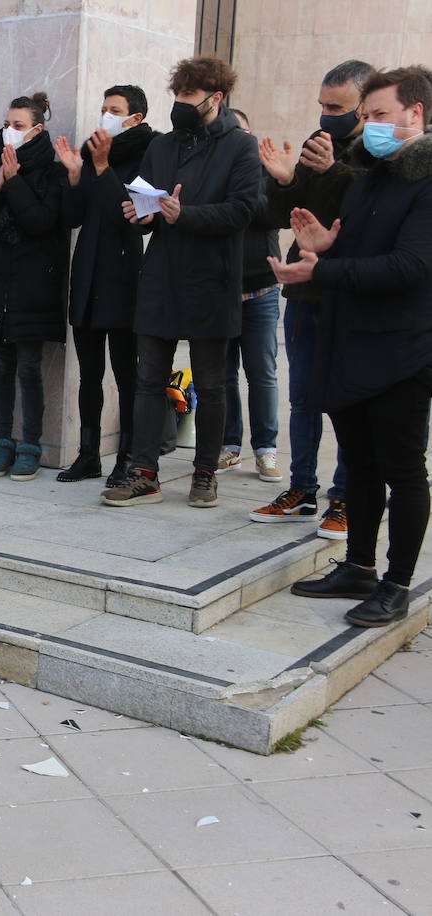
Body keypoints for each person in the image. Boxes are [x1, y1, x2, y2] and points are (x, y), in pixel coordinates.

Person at [280, 67, 432, 628]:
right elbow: (358, 247)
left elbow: (412, 265)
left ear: (415, 113)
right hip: (350, 343)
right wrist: (324, 243)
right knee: (360, 466)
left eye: (379, 115)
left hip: (403, 350)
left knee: (403, 469)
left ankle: (396, 585)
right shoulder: (369, 176)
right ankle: (360, 567)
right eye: (365, 116)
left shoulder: (427, 178)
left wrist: (330, 265)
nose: (368, 126)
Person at [102, 56, 260, 508]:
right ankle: (143, 471)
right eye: (177, 95)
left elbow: (243, 210)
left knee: (212, 385)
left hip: (213, 279)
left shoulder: (240, 147)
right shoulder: (164, 146)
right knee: (149, 378)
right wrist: (141, 216)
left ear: (216, 97)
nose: (180, 104)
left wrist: (185, 215)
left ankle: (205, 472)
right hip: (162, 276)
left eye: (189, 96)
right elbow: (148, 202)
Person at [248, 59, 374, 539]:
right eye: (321, 105)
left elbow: (370, 219)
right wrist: (285, 179)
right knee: (302, 397)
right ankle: (302, 488)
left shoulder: (379, 156)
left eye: (336, 107)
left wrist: (337, 171)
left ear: (364, 106)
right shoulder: (315, 146)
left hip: (349, 291)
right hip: (304, 290)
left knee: (346, 399)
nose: (326, 116)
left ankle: (345, 497)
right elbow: (284, 216)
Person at [53, 85, 159, 487]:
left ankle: (129, 456)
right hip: (88, 274)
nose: (105, 116)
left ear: (135, 117)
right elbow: (73, 216)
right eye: (103, 108)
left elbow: (129, 214)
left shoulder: (149, 152)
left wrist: (100, 168)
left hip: (125, 274)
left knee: (127, 374)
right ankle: (88, 454)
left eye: (114, 110)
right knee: (89, 374)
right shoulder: (91, 152)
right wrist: (77, 175)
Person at [0, 92, 70, 481]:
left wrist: (13, 183)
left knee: (29, 367)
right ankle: (1, 441)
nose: (9, 131)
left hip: (33, 288)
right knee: (0, 366)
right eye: (7, 124)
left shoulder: (52, 175)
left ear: (37, 130)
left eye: (19, 126)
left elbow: (42, 223)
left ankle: (30, 446)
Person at [219, 109, 283, 484]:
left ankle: (266, 450)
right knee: (223, 375)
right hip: (221, 289)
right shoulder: (217, 170)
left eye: (241, 133)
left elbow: (273, 212)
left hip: (260, 287)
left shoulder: (266, 170)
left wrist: (238, 196)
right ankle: (230, 445)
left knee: (263, 374)